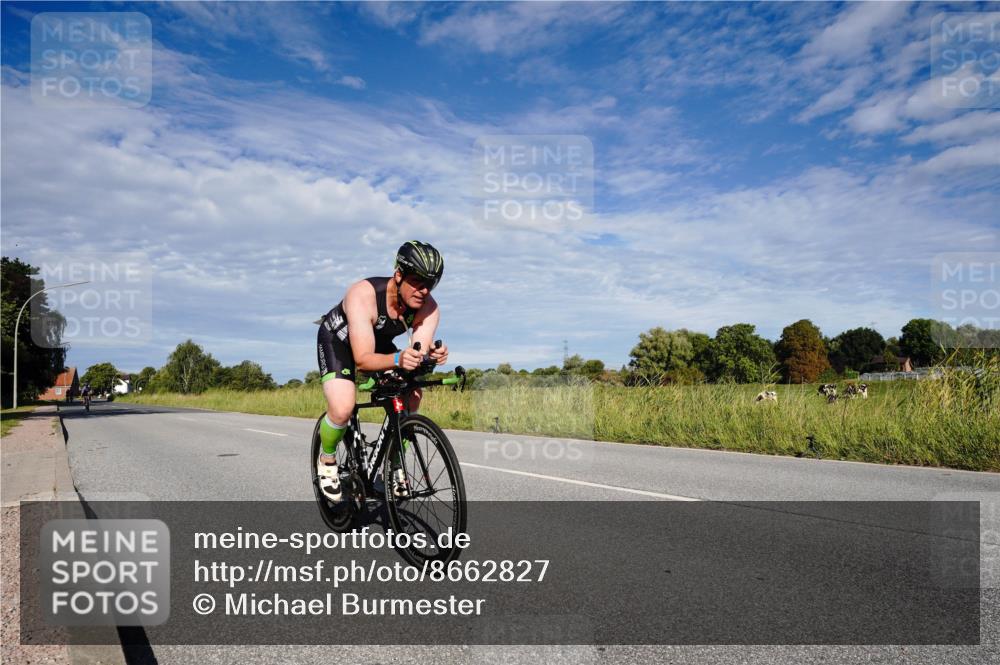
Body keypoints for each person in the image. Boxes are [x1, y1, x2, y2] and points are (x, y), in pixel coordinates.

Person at [315, 241, 448, 501]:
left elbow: (417, 350)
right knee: (342, 407)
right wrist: (398, 357)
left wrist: (430, 354)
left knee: (412, 394)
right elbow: (363, 360)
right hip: (338, 342)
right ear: (398, 274)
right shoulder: (363, 294)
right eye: (416, 281)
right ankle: (327, 458)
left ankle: (395, 463)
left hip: (377, 342)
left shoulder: (429, 308)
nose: (423, 291)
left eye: (430, 284)